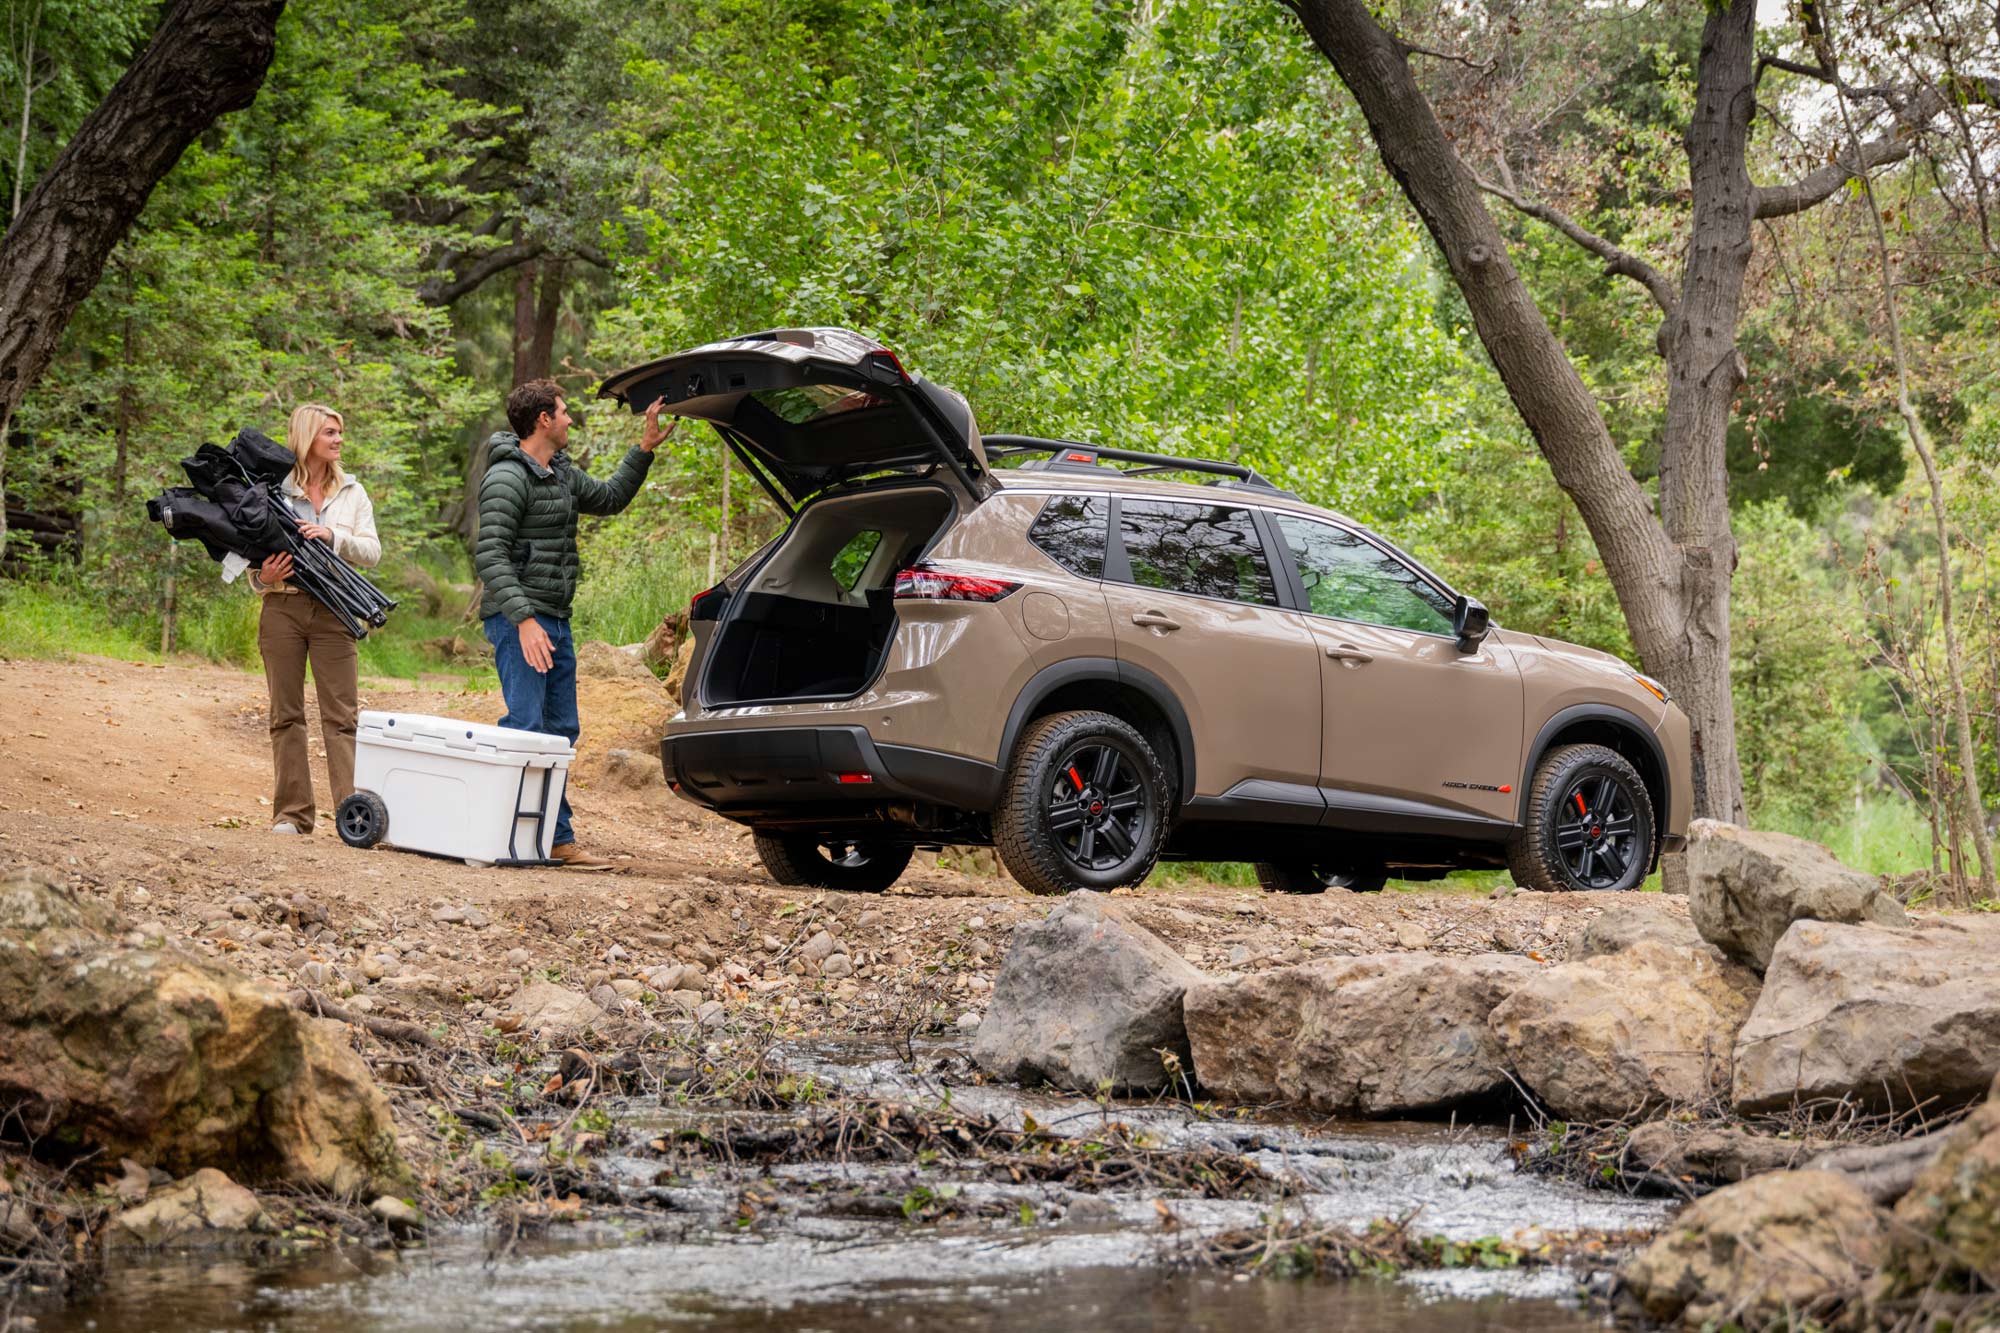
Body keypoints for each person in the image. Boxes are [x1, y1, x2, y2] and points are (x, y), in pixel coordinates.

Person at [477, 378, 671, 869]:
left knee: (561, 729)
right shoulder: (506, 477)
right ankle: (507, 835)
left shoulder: (560, 472)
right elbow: (491, 555)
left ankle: (554, 838)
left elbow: (608, 498)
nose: (569, 419)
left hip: (556, 619)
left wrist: (643, 449)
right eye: (563, 412)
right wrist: (522, 620)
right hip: (519, 619)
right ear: (543, 419)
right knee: (526, 726)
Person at [250, 403, 380, 835]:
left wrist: (333, 536)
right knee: (285, 714)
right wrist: (261, 578)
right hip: (281, 609)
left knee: (342, 716)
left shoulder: (353, 492)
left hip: (336, 609)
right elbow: (247, 553)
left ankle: (353, 817)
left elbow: (372, 552)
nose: (339, 440)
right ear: (308, 437)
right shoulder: (272, 491)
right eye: (330, 433)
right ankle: (292, 814)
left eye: (340, 432)